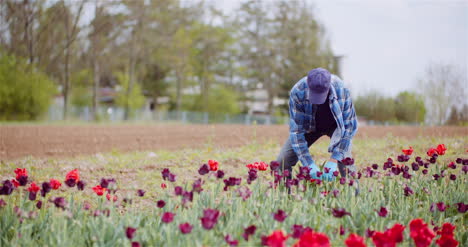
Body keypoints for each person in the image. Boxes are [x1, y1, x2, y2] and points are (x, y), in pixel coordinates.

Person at [276, 68, 358, 184]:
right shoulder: (298, 91)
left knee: (346, 161)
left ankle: (354, 197)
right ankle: (284, 197)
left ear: (329, 87)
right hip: (309, 127)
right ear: (308, 85)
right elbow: (296, 132)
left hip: (336, 127)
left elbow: (349, 127)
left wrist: (334, 159)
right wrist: (308, 163)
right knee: (282, 161)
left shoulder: (341, 89)